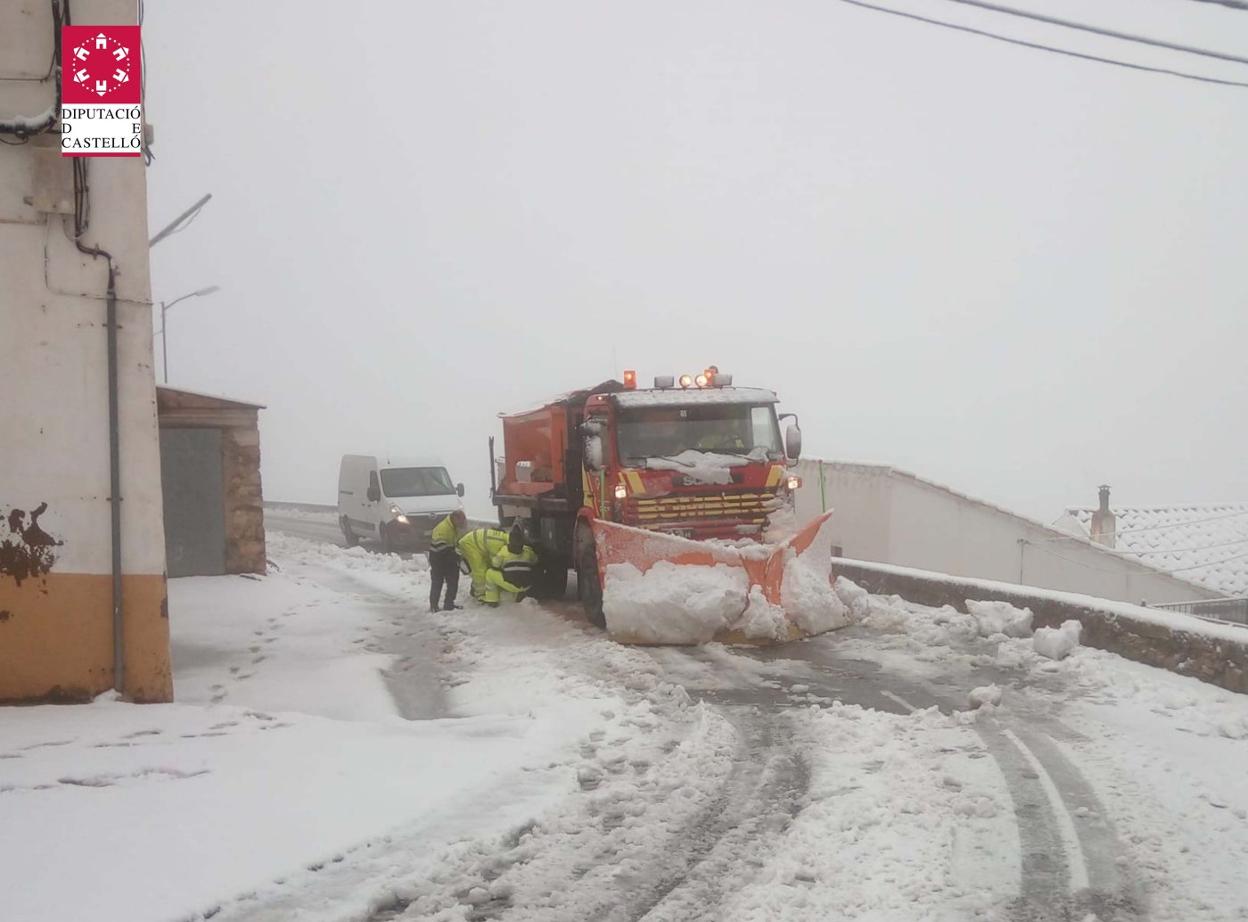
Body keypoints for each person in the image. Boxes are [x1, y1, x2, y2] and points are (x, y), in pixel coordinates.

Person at [483, 524, 539, 606]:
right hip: (527, 584)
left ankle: (492, 600)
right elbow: (535, 560)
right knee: (522, 572)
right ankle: (520, 593)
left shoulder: (504, 550)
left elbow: (495, 564)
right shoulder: (528, 551)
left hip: (511, 584)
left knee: (490, 573)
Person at [456, 526, 511, 602]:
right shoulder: (499, 543)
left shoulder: (501, 537)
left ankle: (475, 588)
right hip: (470, 545)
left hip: (473, 543)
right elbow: (495, 563)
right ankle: (479, 594)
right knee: (479, 571)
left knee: (484, 567)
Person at [428, 510, 467, 612]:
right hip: (438, 558)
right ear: (455, 518)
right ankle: (434, 606)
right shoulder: (443, 528)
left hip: (448, 556)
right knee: (437, 581)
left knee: (453, 580)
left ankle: (449, 604)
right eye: (461, 521)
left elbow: (455, 543)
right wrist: (455, 555)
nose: (462, 523)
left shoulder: (453, 527)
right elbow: (439, 547)